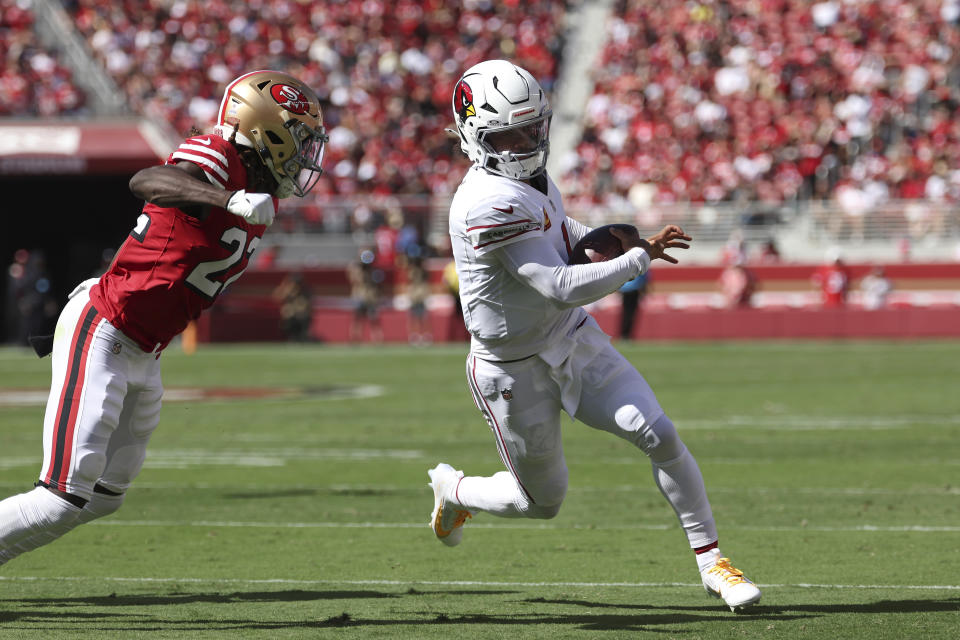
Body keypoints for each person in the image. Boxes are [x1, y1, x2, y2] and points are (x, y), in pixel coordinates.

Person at [428, 60, 761, 612]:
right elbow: (558, 283)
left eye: (533, 127)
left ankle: (713, 564)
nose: (527, 141)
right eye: (510, 134)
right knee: (542, 502)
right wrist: (633, 261)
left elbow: (564, 232)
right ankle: (456, 490)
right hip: (511, 367)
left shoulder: (528, 179)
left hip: (571, 337)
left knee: (659, 434)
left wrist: (628, 242)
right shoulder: (485, 202)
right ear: (474, 136)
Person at [0, 70, 328, 567]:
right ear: (268, 131)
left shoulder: (265, 191)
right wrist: (228, 199)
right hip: (107, 325)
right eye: (299, 140)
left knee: (106, 496)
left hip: (146, 349)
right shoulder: (219, 157)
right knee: (61, 496)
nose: (305, 155)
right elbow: (147, 180)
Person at [346, 249, 384, 343]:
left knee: (374, 319)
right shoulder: (357, 270)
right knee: (357, 319)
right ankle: (355, 338)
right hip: (360, 296)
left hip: (370, 297)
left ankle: (377, 339)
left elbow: (377, 284)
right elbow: (353, 279)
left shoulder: (373, 271)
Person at [273, 272, 313, 341]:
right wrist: (285, 288)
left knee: (303, 317)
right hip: (290, 317)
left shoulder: (305, 291)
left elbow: (305, 305)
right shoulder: (287, 290)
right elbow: (276, 297)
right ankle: (292, 338)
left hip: (302, 316)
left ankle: (302, 337)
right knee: (288, 314)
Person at [618, 271, 650, 339]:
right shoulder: (642, 265)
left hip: (625, 290)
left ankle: (624, 334)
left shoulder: (627, 263)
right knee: (631, 313)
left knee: (626, 313)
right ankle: (626, 335)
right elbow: (645, 278)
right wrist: (645, 290)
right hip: (634, 290)